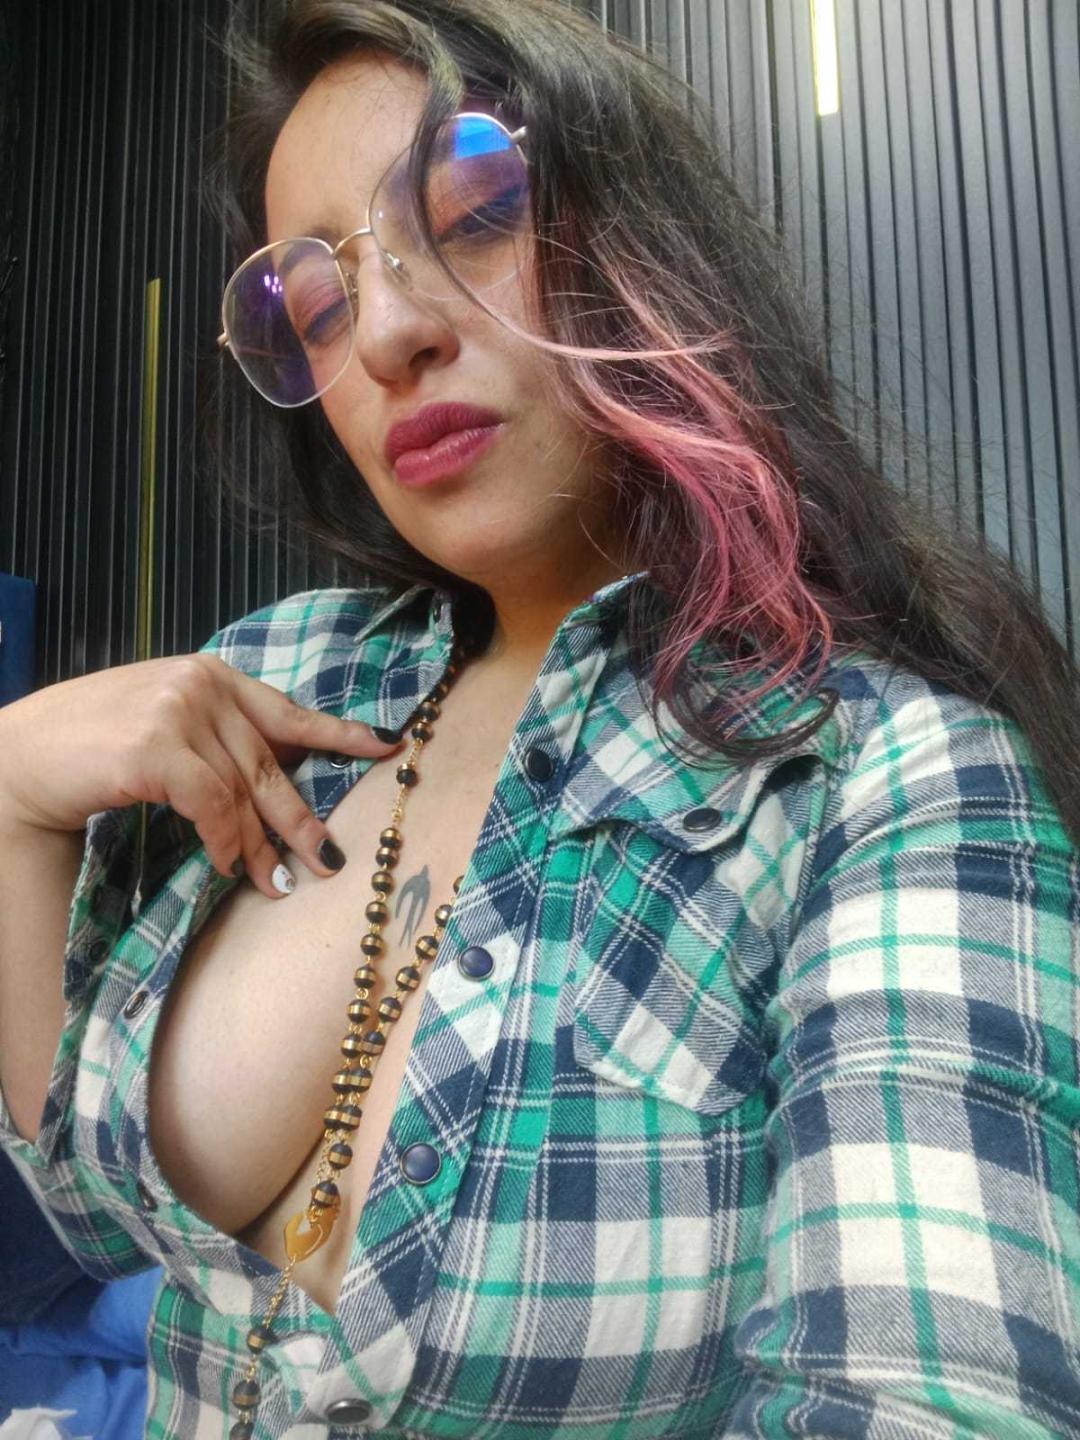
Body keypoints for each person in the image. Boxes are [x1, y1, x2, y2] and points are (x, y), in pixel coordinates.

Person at [2, 0, 1079, 1436]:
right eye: (318, 308)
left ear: (641, 238)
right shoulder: (277, 677)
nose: (388, 334)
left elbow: (928, 1396)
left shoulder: (884, 777)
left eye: (475, 216)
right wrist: (12, 804)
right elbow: (90, 1194)